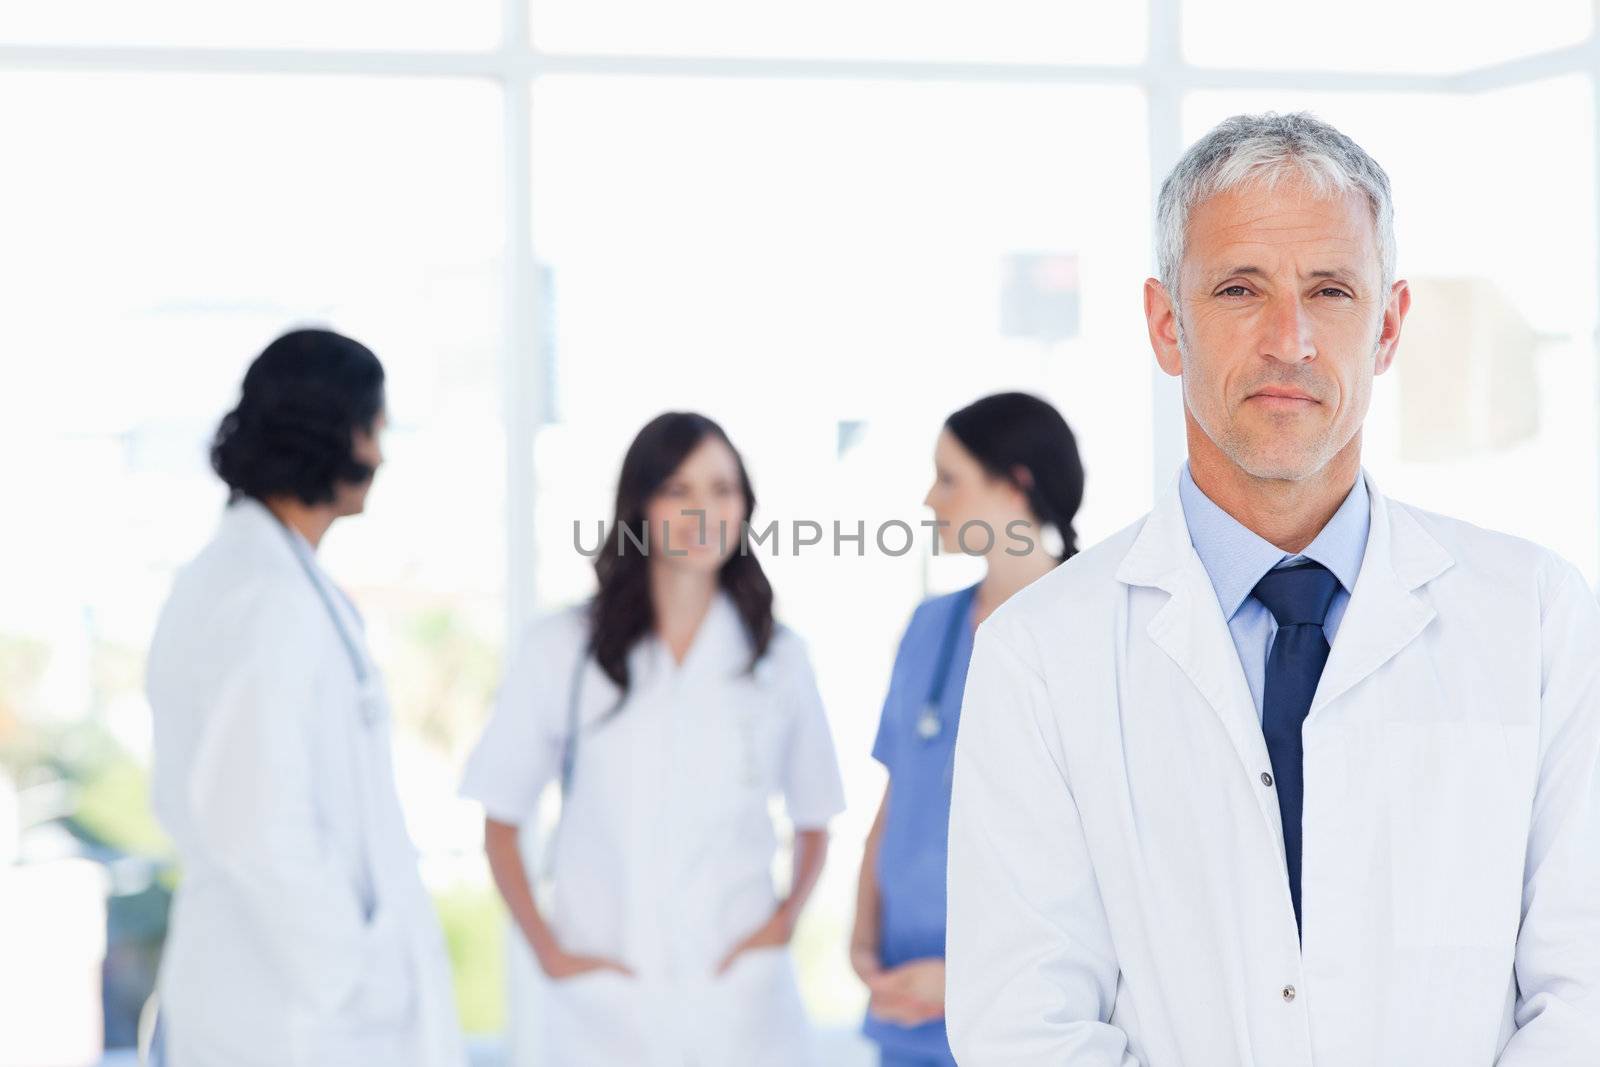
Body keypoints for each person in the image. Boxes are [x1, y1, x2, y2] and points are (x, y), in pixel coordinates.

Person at [946, 112, 1600, 1064]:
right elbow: (1025, 1026)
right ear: (1168, 324)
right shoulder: (1040, 652)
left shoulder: (1536, 616)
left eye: (1331, 289)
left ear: (1387, 326)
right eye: (1239, 287)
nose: (1288, 338)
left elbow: (1584, 993)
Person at [461, 411, 846, 1066]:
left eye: (722, 489)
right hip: (606, 1011)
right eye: (678, 489)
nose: (704, 510)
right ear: (640, 503)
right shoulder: (563, 648)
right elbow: (501, 818)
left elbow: (815, 818)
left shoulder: (780, 657)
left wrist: (780, 927)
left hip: (742, 1010)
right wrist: (550, 952)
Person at [145, 329, 464, 1066]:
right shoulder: (266, 597)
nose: (380, 456)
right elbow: (252, 820)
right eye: (374, 429)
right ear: (335, 433)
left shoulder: (256, 576)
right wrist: (352, 972)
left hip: (278, 999)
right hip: (293, 1015)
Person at [849, 393, 1084, 1067]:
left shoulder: (1086, 631)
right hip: (904, 1010)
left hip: (1026, 1023)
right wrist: (862, 944)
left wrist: (966, 983)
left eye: (949, 478)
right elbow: (896, 799)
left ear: (1016, 485)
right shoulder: (932, 626)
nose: (930, 499)